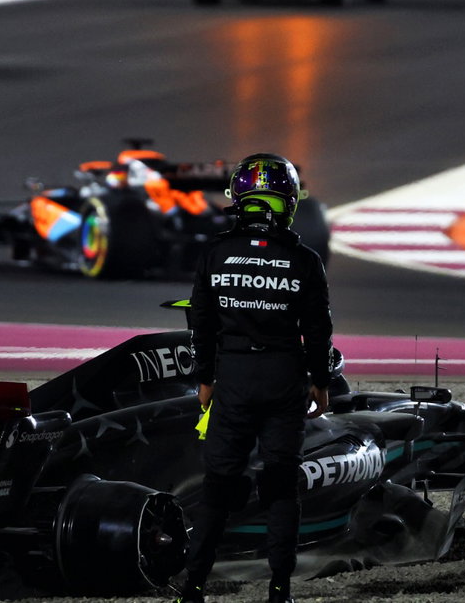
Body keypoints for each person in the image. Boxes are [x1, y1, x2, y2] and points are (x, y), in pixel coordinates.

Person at [178, 153, 333, 603]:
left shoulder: (214, 253)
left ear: (239, 200)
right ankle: (280, 588)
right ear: (287, 204)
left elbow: (200, 325)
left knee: (218, 486)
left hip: (234, 378)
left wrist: (204, 378)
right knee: (281, 482)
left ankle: (194, 588)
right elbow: (318, 331)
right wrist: (320, 381)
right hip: (285, 378)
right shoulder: (305, 260)